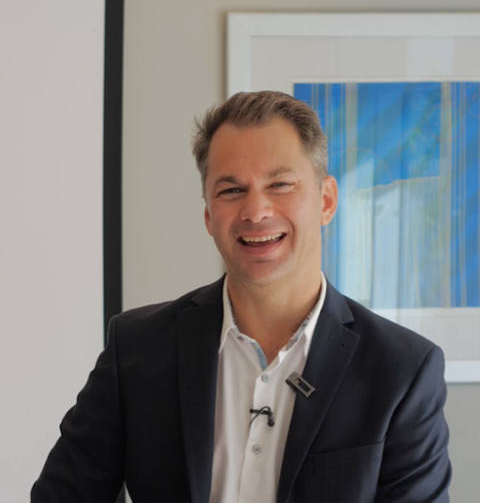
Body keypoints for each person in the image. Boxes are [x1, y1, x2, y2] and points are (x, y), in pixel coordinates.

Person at [31, 91, 451, 503]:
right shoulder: (136, 348)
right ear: (208, 215)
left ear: (326, 200)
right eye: (231, 191)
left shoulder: (403, 370)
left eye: (280, 184)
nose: (256, 211)